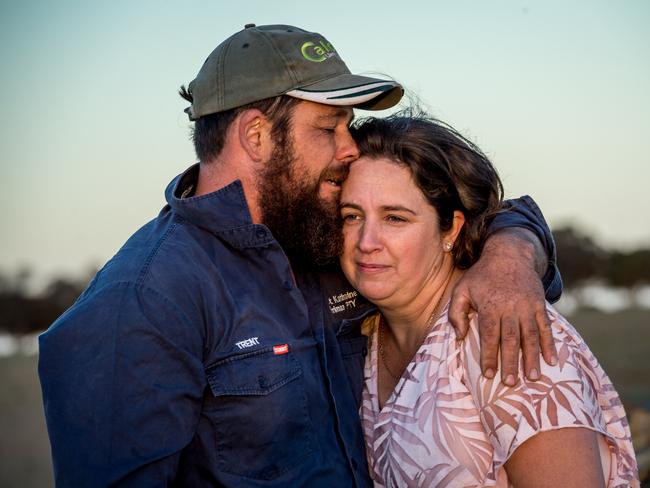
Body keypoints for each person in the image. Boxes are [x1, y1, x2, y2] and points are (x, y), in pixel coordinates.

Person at [39, 24, 560, 486]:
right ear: (257, 135)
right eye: (329, 127)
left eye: (348, 127)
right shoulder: (144, 298)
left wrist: (509, 257)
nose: (350, 147)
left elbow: (471, 216)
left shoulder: (334, 238)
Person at [340, 113, 639, 487]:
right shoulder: (361, 333)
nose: (367, 241)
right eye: (352, 216)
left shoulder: (503, 328)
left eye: (395, 218)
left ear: (451, 228)